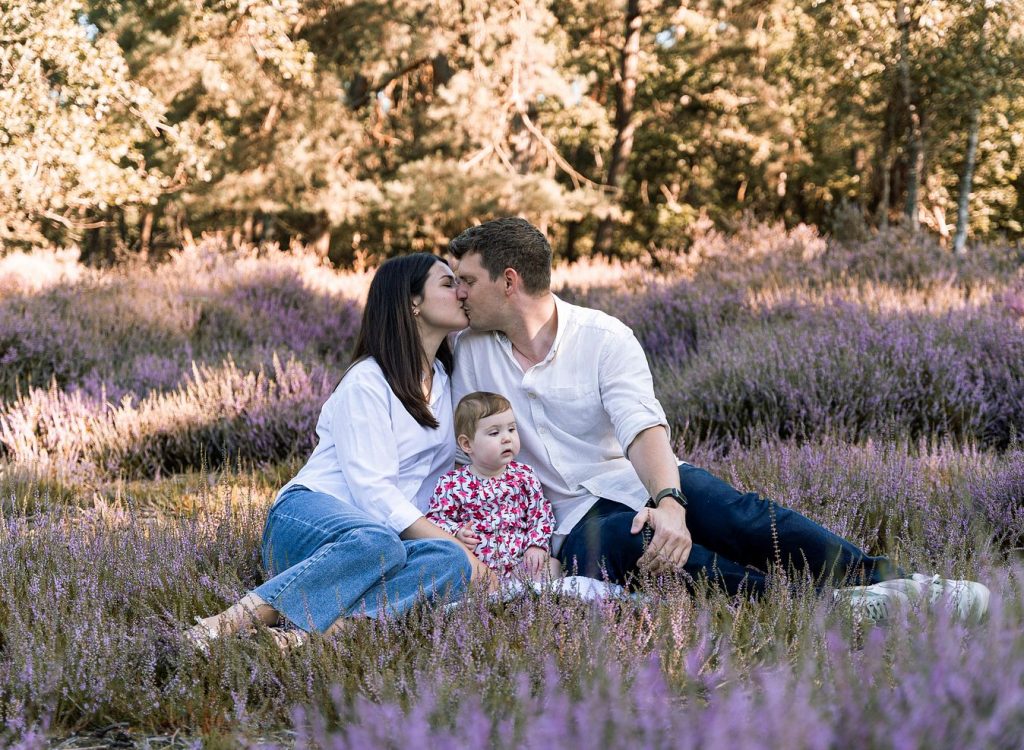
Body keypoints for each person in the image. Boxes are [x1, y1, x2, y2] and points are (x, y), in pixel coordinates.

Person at [447, 217, 989, 623]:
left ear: (509, 281)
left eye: (467, 280)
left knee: (735, 515)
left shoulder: (604, 337)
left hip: (630, 477)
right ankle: (827, 606)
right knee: (638, 547)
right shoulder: (468, 350)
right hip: (563, 520)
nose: (460, 293)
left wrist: (669, 501)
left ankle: (902, 584)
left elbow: (642, 428)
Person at [187, 253, 492, 650]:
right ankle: (219, 626)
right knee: (382, 542)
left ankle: (303, 639)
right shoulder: (368, 381)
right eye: (448, 283)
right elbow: (373, 492)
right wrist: (453, 542)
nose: (461, 292)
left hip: (383, 545)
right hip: (309, 519)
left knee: (447, 563)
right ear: (412, 302)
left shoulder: (446, 382)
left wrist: (469, 543)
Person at [426, 391, 562, 581]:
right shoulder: (452, 483)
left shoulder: (524, 475)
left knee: (552, 567)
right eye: (494, 433)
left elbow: (540, 513)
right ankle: (495, 595)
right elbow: (436, 520)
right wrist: (457, 533)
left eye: (511, 429)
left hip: (520, 563)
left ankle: (525, 594)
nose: (507, 438)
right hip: (479, 568)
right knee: (455, 577)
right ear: (467, 444)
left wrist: (536, 545)